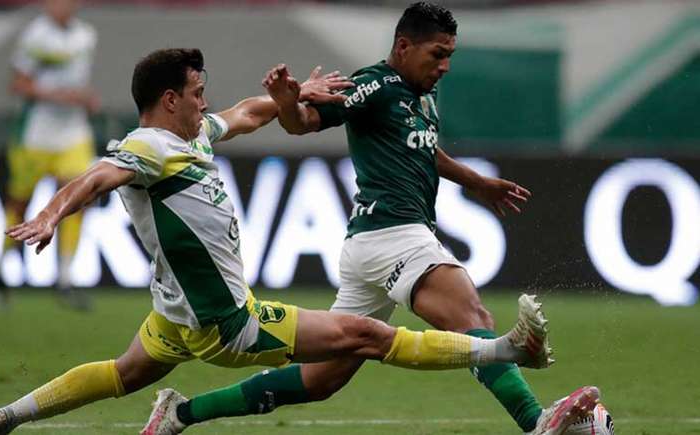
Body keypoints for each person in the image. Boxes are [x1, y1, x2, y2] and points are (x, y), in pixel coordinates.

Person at [0, 48, 553, 435]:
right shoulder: (149, 147)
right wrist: (53, 212)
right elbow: (96, 177)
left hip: (172, 316)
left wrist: (297, 98)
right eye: (196, 92)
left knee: (121, 373)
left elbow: (245, 113)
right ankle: (506, 351)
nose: (205, 102)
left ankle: (2, 418)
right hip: (226, 323)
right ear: (168, 101)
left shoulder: (193, 137)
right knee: (367, 336)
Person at [256, 2, 600, 435]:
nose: (446, 66)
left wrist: (476, 181)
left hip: (370, 243)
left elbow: (421, 148)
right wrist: (287, 104)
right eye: (438, 54)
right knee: (472, 319)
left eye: (450, 55)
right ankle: (537, 422)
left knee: (322, 378)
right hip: (393, 233)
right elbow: (302, 123)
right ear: (403, 46)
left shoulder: (422, 92)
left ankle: (182, 412)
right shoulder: (373, 84)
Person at [0, 0, 99, 310]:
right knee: (20, 204)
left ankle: (65, 278)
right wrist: (62, 97)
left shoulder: (86, 36)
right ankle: (0, 270)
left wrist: (85, 97)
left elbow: (76, 80)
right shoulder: (35, 36)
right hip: (35, 135)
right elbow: (19, 84)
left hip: (73, 134)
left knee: (78, 199)